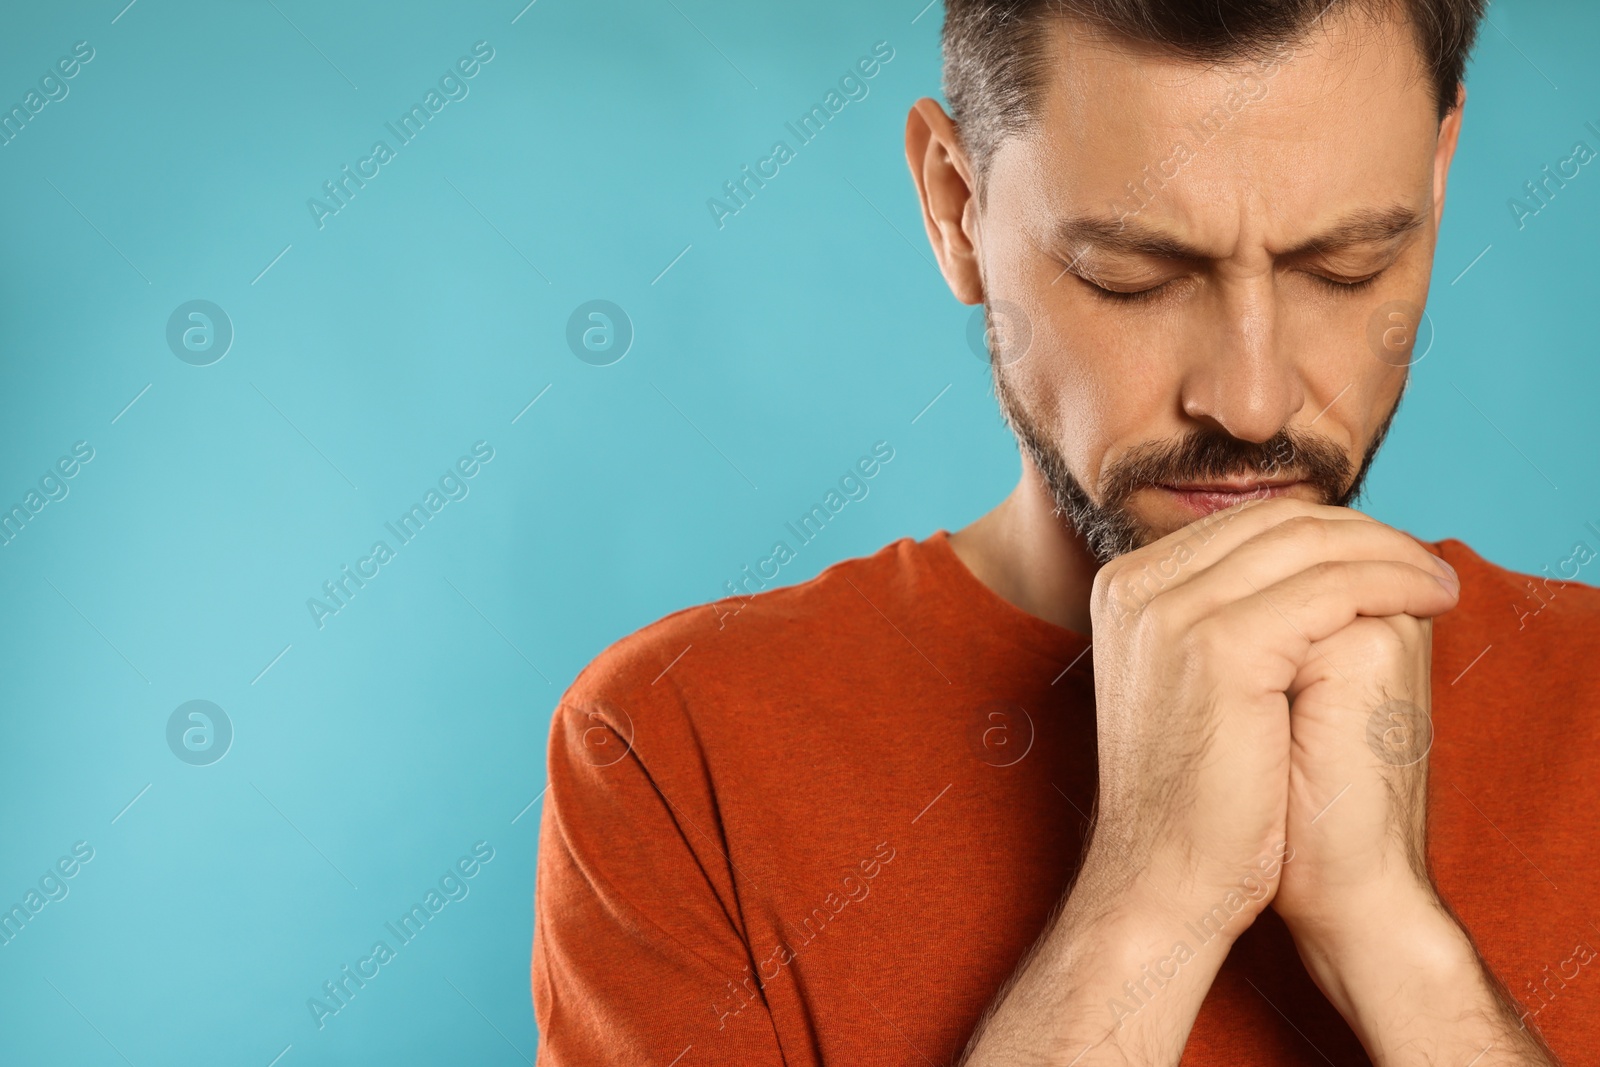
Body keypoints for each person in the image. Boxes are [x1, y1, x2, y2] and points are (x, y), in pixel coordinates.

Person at [531, 1, 1599, 1063]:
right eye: (1133, 277)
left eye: (1345, 266)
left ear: (1438, 174)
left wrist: (1396, 942)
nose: (1254, 400)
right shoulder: (675, 746)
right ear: (956, 209)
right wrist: (1148, 897)